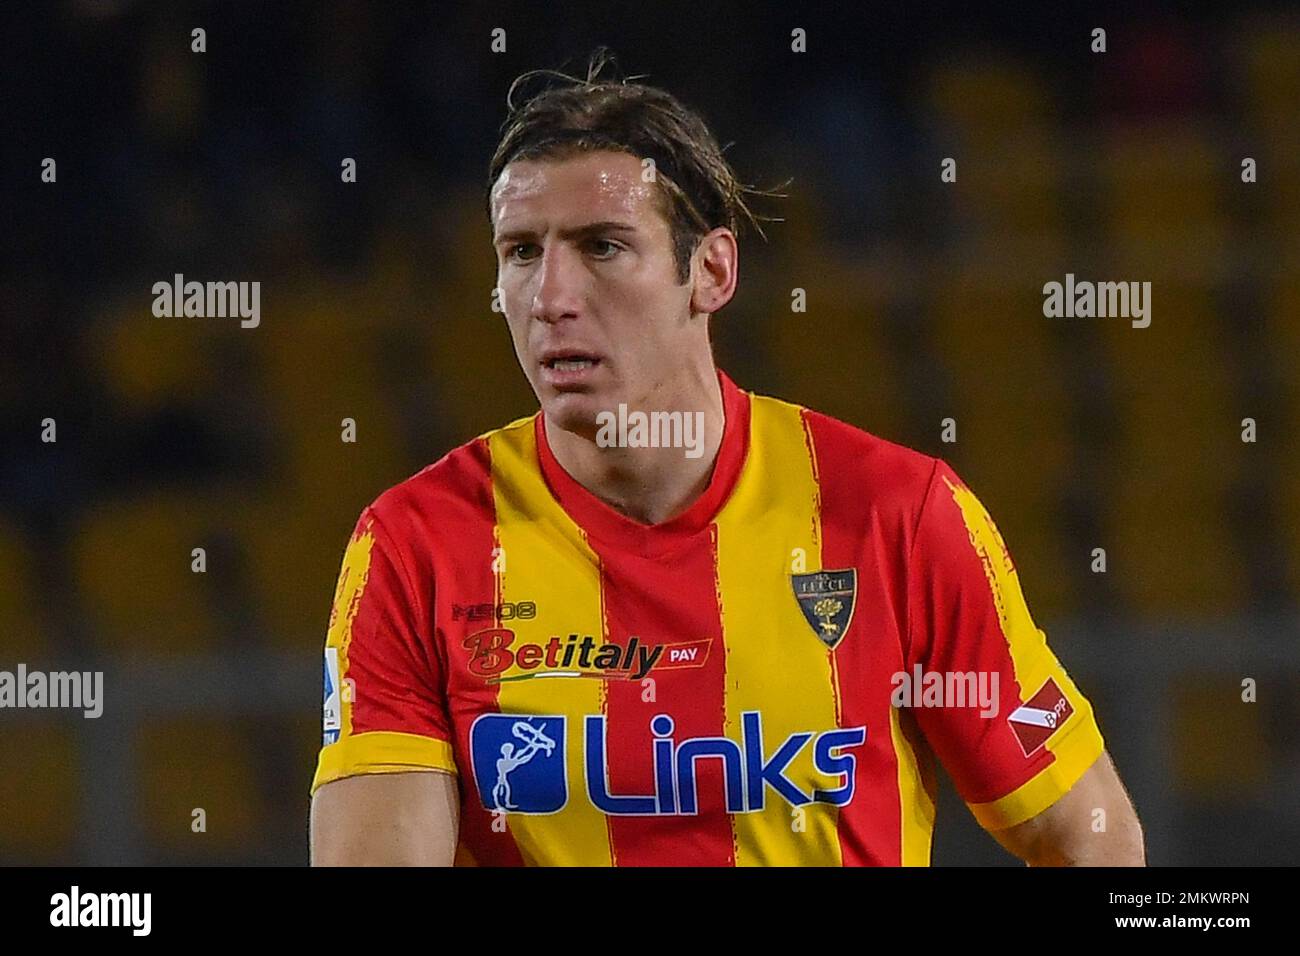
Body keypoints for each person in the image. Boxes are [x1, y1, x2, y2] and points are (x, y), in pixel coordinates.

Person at [309, 50, 1145, 866]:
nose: (552, 299)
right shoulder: (416, 547)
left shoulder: (898, 513)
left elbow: (1088, 834)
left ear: (710, 270)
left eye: (602, 246)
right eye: (522, 252)